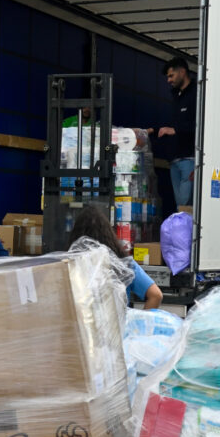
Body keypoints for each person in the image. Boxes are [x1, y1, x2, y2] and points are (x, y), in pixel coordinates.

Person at [67, 203, 162, 309]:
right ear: (108, 232)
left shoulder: (70, 265)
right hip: (120, 325)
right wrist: (140, 322)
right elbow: (156, 295)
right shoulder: (124, 264)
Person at [151, 56, 197, 208]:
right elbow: (172, 126)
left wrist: (175, 130)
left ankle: (191, 232)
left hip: (189, 159)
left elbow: (201, 125)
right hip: (174, 161)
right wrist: (151, 130)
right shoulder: (176, 97)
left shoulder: (198, 93)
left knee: (186, 206)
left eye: (171, 75)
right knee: (180, 207)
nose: (168, 80)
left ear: (182, 72)